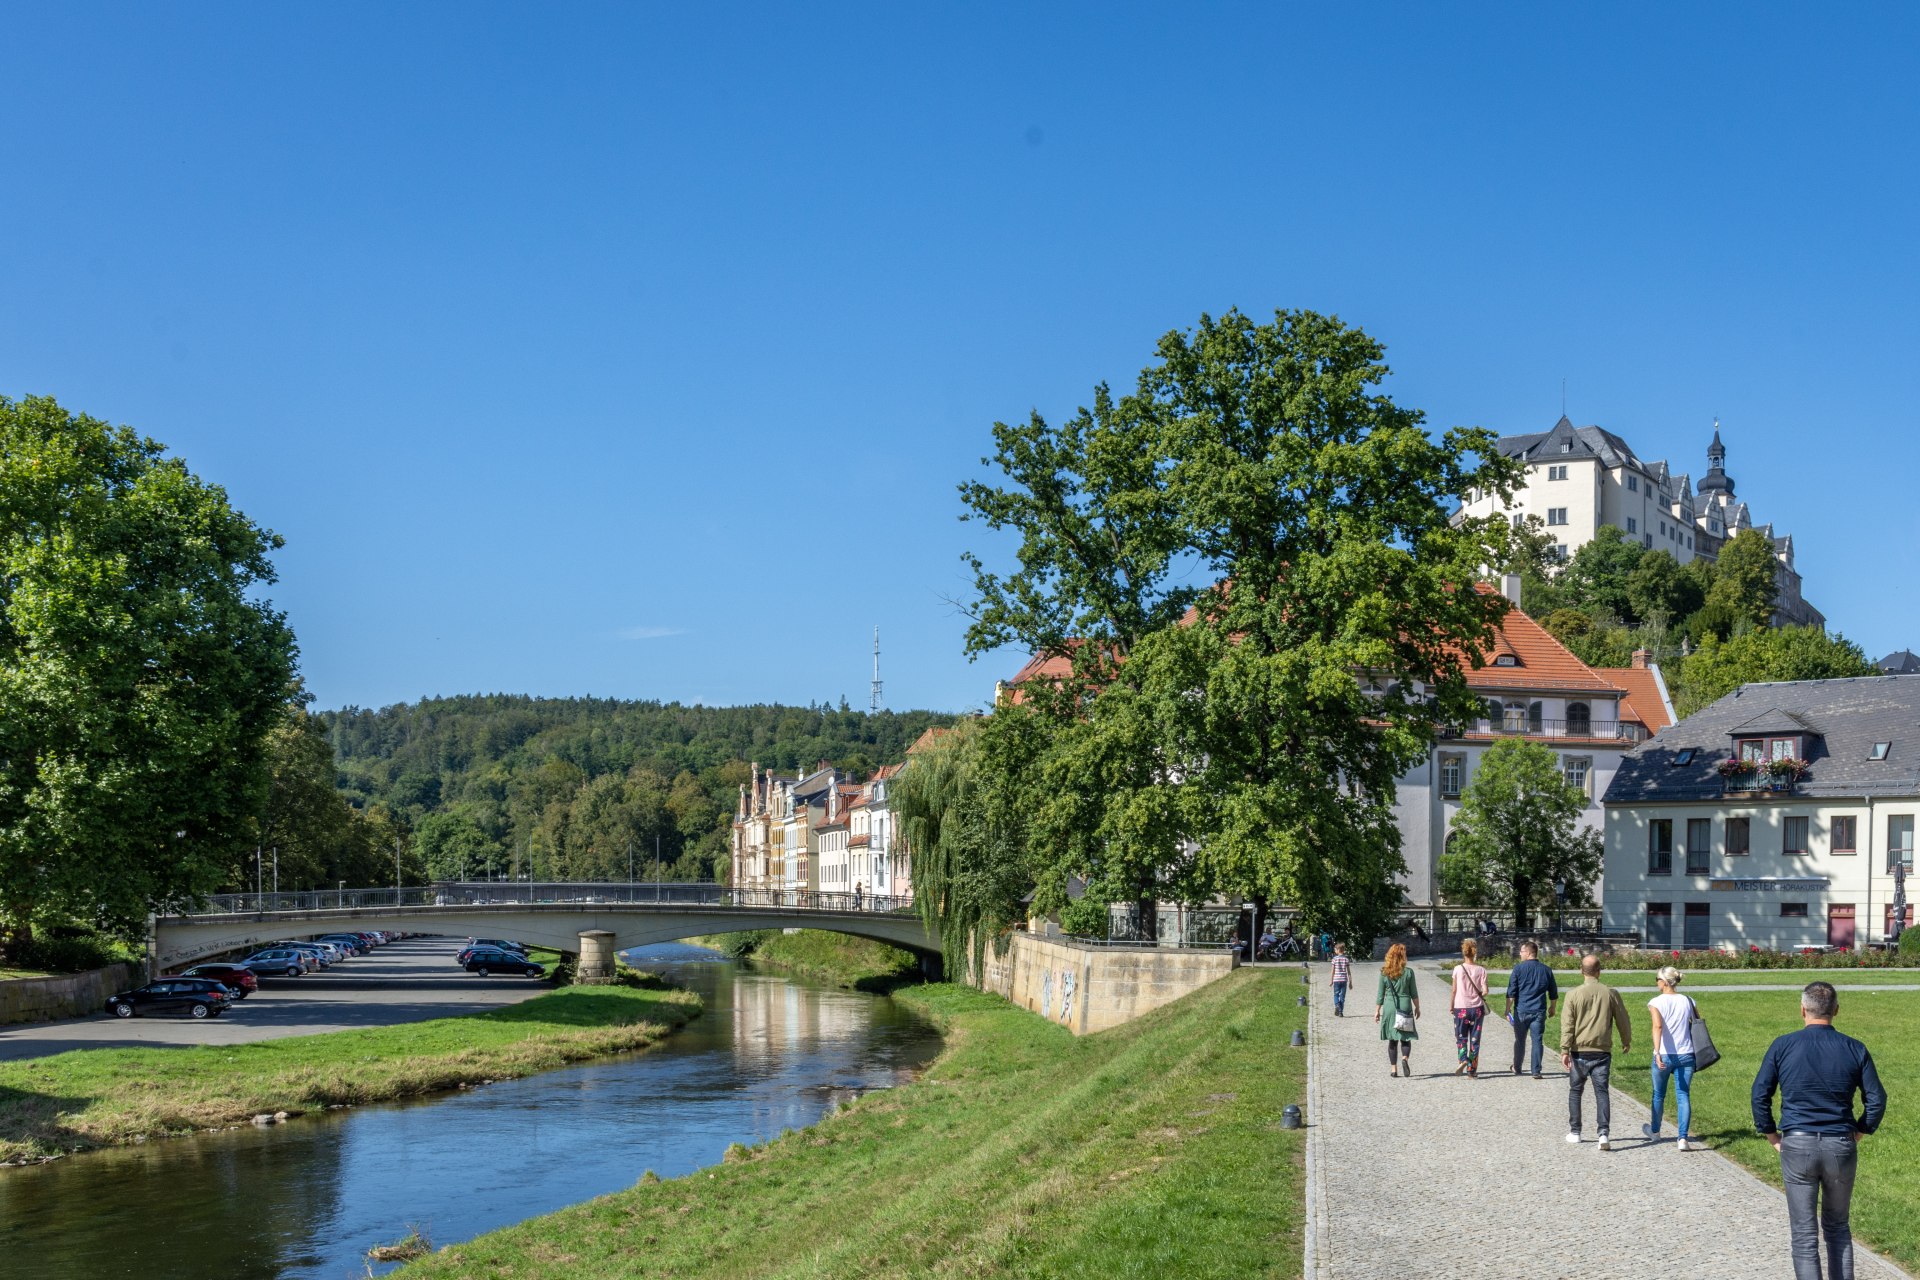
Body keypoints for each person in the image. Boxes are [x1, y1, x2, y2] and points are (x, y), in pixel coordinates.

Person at [1752, 980, 1887, 1280]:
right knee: (1838, 1227)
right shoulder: (1854, 1048)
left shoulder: (1783, 1045)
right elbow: (1877, 1099)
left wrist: (1771, 1134)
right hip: (1840, 1144)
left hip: (1797, 1144)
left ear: (1802, 1010)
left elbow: (1760, 1094)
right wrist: (1861, 1130)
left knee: (1804, 1234)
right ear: (1836, 1010)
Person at [1559, 953, 1631, 1149]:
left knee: (1575, 1091)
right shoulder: (1611, 993)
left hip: (1579, 1051)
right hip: (1602, 1050)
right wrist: (1626, 1040)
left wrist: (1564, 1049)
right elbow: (1623, 1019)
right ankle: (1603, 1134)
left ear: (1581, 971)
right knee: (1601, 1092)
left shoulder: (1572, 995)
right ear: (1599, 971)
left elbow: (1568, 1025)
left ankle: (1575, 1132)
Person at [1642, 965, 1698, 1150]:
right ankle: (1682, 1138)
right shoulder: (1688, 1000)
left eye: (1657, 979)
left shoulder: (1656, 1002)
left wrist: (1657, 1052)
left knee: (1659, 1094)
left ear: (1665, 982)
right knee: (1683, 1095)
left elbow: (1657, 1027)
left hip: (1665, 1054)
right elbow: (1696, 1023)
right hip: (1686, 1053)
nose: (1656, 983)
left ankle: (1655, 1131)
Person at [1504, 941, 1559, 1078]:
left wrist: (1507, 1009)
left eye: (1522, 951)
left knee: (1520, 1040)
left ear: (1528, 953)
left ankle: (1517, 1067)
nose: (1520, 954)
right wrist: (1552, 1007)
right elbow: (1553, 992)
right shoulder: (1546, 970)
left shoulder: (1518, 969)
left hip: (1521, 1010)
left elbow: (1511, 992)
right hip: (1538, 1011)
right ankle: (1536, 1070)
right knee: (1537, 1040)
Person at [1375, 942, 1420, 1077]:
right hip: (1404, 1006)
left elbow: (1380, 994)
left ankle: (1394, 1070)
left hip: (1390, 1007)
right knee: (1405, 1037)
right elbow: (1414, 993)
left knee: (1392, 1039)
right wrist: (1417, 1007)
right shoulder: (1409, 972)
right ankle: (1404, 1058)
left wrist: (1377, 1010)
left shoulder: (1384, 972)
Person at [1449, 938, 1491, 1076]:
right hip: (1477, 1009)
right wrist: (1479, 993)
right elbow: (1485, 991)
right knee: (1475, 1039)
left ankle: (1462, 1060)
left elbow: (1454, 990)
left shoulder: (1457, 969)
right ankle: (1472, 1070)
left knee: (1461, 1037)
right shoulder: (1481, 970)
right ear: (1475, 952)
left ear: (1464, 952)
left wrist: (1451, 1005)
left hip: (1460, 1007)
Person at [1329, 942, 1351, 1017]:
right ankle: (1341, 1012)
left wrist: (1331, 980)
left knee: (1336, 994)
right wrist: (1350, 982)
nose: (1335, 951)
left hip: (1336, 980)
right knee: (1342, 996)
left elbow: (1332, 971)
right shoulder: (1346, 959)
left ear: (1338, 950)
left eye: (1335, 949)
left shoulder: (1334, 959)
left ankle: (1337, 1005)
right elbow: (1349, 972)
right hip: (1344, 980)